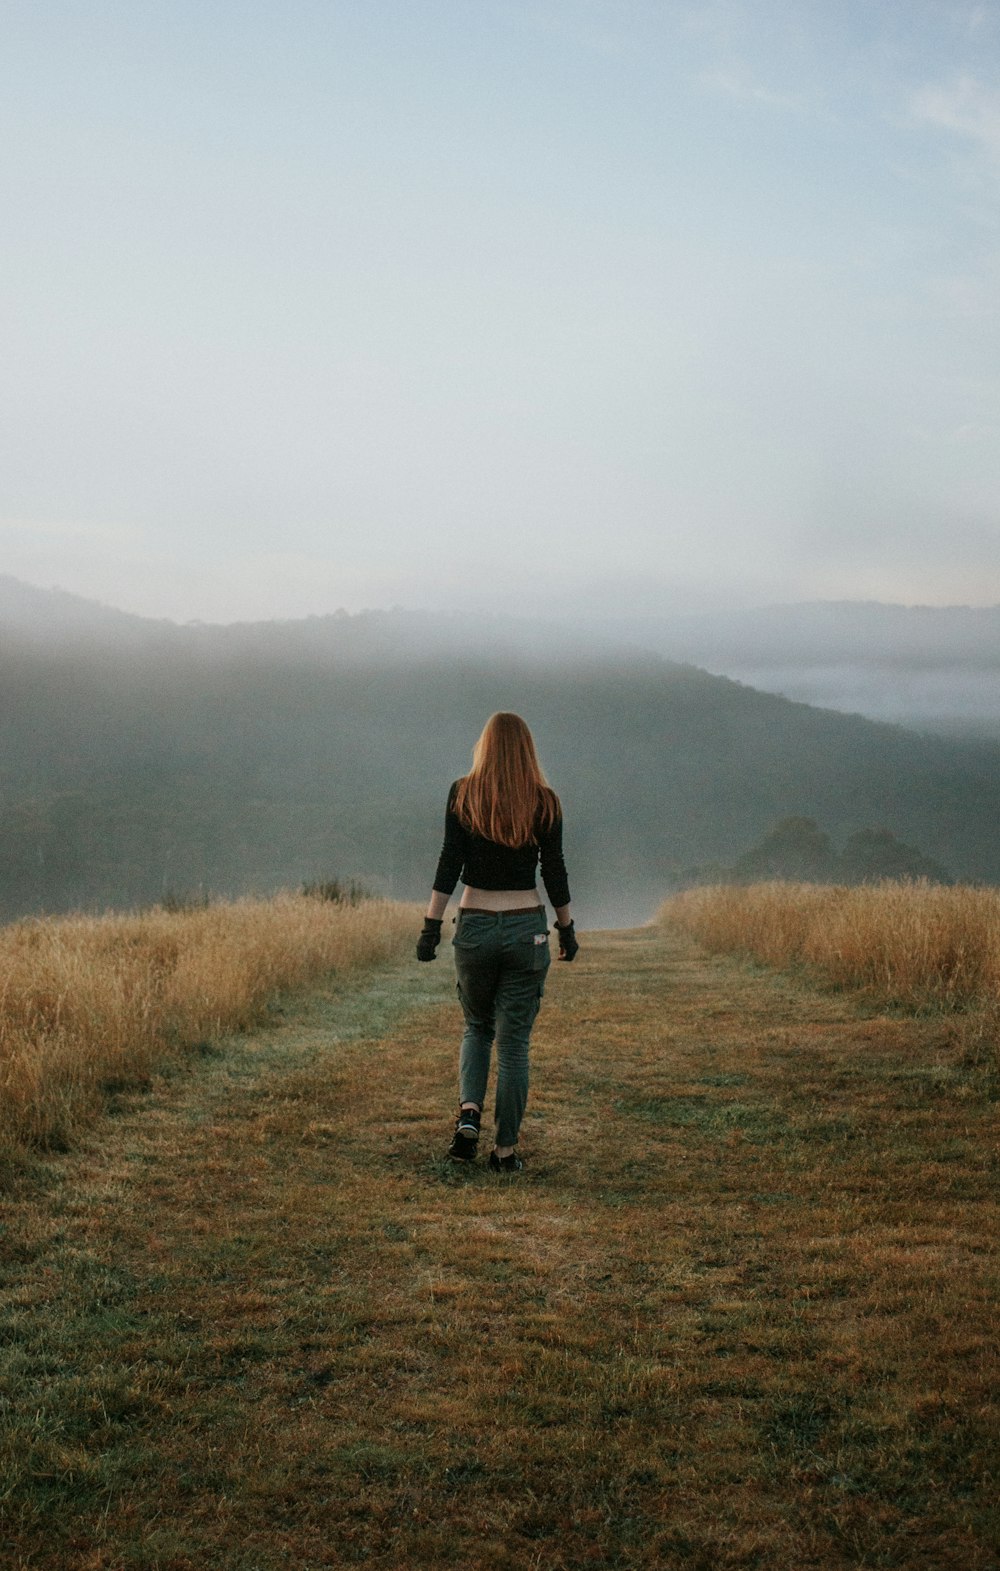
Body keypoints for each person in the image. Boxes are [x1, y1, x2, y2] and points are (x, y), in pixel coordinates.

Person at [416, 711, 578, 1172]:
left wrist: (431, 925)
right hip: (526, 925)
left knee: (476, 1028)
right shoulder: (545, 802)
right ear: (528, 749)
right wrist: (565, 928)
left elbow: (450, 862)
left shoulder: (463, 794)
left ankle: (469, 1114)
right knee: (513, 1045)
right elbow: (555, 871)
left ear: (484, 746)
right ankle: (505, 1152)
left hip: (476, 923)